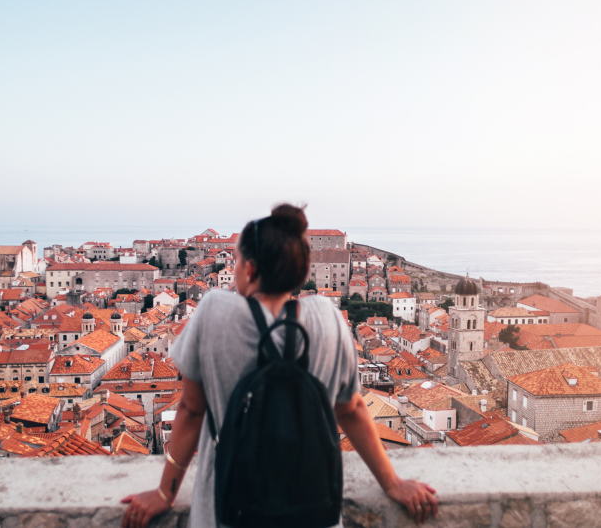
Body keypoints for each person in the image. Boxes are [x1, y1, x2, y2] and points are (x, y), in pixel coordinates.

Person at [121, 204, 439, 528]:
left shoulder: (214, 312)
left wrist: (165, 493)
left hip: (229, 509)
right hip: (310, 509)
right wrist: (392, 483)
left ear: (250, 269)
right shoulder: (327, 318)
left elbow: (191, 410)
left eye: (237, 259)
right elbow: (353, 409)